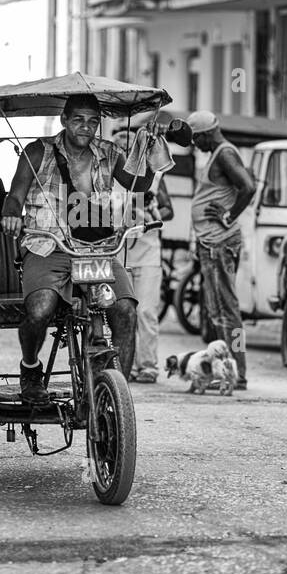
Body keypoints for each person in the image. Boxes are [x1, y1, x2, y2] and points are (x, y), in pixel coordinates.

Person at [0, 97, 161, 403]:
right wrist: (10, 215)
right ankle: (30, 368)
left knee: (126, 310)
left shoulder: (109, 153)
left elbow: (138, 185)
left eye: (92, 121)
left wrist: (150, 153)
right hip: (49, 246)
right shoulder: (38, 152)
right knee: (40, 309)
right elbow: (15, 196)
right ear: (64, 120)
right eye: (78, 120)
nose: (86, 127)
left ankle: (117, 394)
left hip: (97, 249)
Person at [186, 111, 256, 390]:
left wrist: (228, 216)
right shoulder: (218, 154)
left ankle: (236, 373)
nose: (194, 145)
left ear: (205, 134)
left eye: (196, 139)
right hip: (212, 244)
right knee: (220, 312)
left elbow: (248, 187)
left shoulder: (225, 154)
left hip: (219, 244)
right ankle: (229, 371)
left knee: (228, 313)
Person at [113, 128, 174, 383]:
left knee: (147, 311)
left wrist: (152, 210)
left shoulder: (154, 177)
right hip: (118, 253)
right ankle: (123, 365)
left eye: (131, 149)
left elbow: (168, 210)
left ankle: (147, 365)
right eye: (123, 150)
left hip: (148, 252)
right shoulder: (110, 177)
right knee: (121, 312)